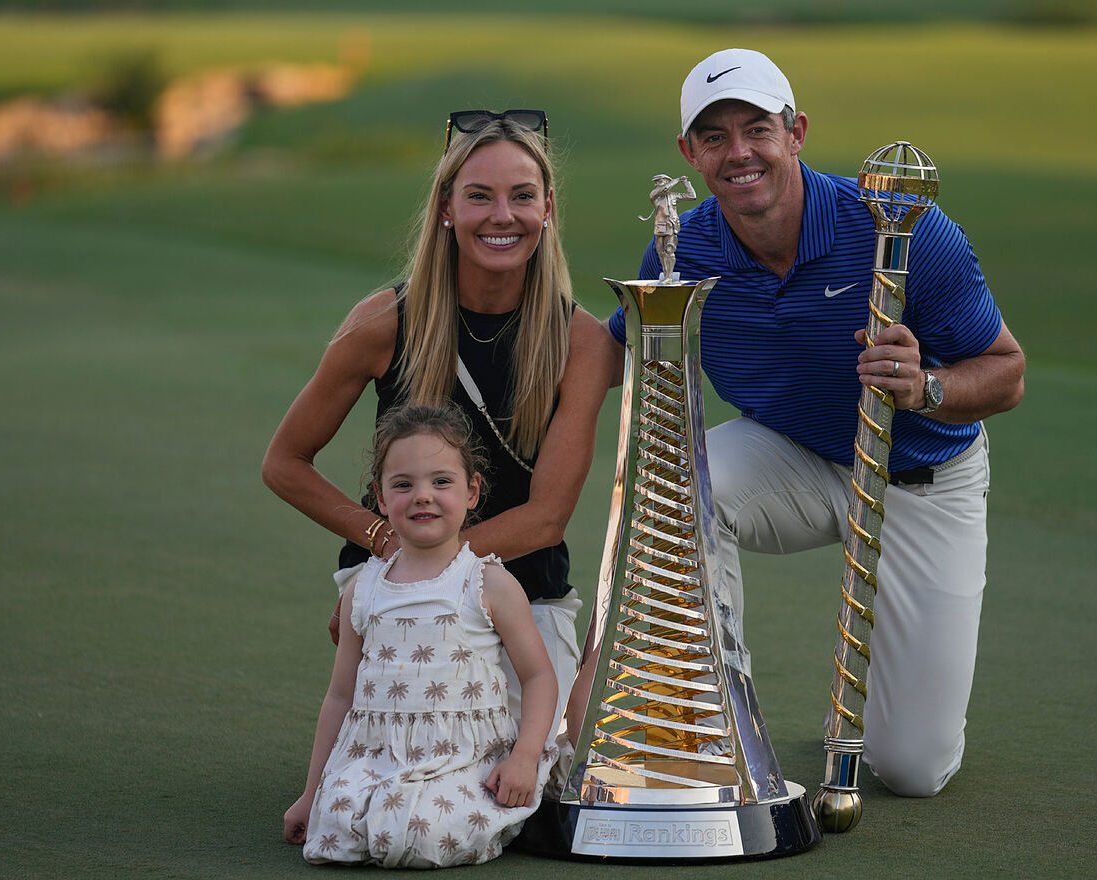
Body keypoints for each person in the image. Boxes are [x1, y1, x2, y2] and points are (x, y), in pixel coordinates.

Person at [603, 48, 1026, 797]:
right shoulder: (685, 249)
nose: (738, 153)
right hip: (794, 455)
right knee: (684, 478)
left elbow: (1006, 372)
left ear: (796, 132)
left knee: (910, 769)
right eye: (713, 135)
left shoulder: (906, 233)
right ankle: (713, 724)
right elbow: (612, 351)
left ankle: (907, 728)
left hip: (920, 474)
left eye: (756, 128)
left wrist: (923, 385)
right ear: (688, 153)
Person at [263, 110, 614, 739]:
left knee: (528, 783)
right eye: (478, 196)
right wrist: (385, 552)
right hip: (400, 573)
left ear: (549, 209)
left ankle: (567, 681)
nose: (501, 215)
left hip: (525, 588)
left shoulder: (580, 341)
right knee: (431, 760)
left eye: (522, 196)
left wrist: (437, 563)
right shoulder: (383, 321)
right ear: (446, 206)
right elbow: (285, 462)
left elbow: (547, 519)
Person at [283, 403, 560, 867]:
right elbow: (340, 695)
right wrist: (312, 793)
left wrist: (525, 756)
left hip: (459, 756)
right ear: (380, 496)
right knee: (335, 827)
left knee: (419, 833)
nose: (423, 496)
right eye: (404, 484)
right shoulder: (363, 589)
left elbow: (537, 676)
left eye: (441, 481)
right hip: (376, 753)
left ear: (473, 491)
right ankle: (356, 802)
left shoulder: (487, 582)